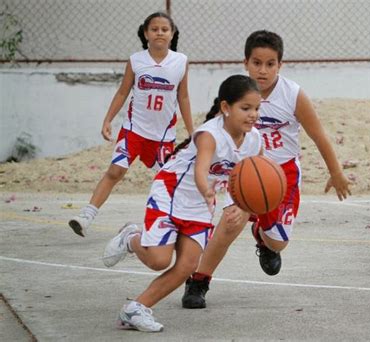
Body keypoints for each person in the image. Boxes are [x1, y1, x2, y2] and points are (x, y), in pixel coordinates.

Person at [181, 30, 351, 309]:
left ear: (280, 66)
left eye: (270, 64)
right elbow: (214, 135)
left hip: (281, 175)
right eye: (257, 63)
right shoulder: (235, 94)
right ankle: (199, 281)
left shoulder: (293, 95)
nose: (262, 70)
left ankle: (263, 236)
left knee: (278, 243)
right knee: (228, 226)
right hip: (244, 171)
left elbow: (318, 135)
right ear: (246, 63)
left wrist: (336, 172)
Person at [101, 75, 262, 332]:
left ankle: (136, 309)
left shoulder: (254, 140)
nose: (253, 114)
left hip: (199, 205)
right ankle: (131, 238)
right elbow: (201, 170)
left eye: (257, 108)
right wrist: (207, 191)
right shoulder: (210, 134)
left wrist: (240, 206)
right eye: (246, 108)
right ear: (225, 108)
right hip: (170, 193)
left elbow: (252, 175)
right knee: (158, 260)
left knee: (187, 265)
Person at [68, 12, 194, 237]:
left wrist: (192, 130)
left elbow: (183, 97)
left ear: (172, 34)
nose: (159, 33)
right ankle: (86, 216)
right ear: (146, 33)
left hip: (163, 136)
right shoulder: (136, 60)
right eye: (154, 29)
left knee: (165, 181)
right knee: (115, 171)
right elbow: (123, 92)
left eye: (164, 29)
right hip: (134, 130)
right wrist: (108, 119)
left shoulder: (180, 61)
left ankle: (162, 224)